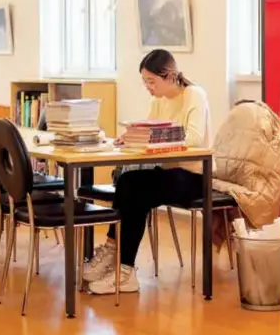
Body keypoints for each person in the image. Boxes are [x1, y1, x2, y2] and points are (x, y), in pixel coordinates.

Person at [84, 49, 211, 294]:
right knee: (128, 183)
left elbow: (194, 139)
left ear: (170, 76)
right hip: (168, 173)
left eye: (151, 81)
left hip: (194, 176)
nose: (148, 87)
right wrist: (131, 138)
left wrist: (155, 139)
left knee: (133, 186)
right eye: (145, 81)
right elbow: (149, 135)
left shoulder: (193, 94)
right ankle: (119, 261)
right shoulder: (157, 101)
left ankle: (120, 263)